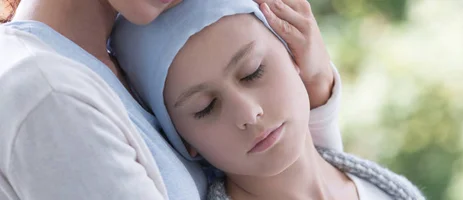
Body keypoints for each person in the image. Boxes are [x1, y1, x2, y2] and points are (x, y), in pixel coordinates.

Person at [0, 0, 342, 199]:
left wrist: (315, 83)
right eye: (205, 108)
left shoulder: (121, 51)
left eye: (252, 72)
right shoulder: (48, 94)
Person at [111, 0, 425, 199]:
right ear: (184, 141)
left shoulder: (384, 190)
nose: (248, 112)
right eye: (205, 108)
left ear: (294, 54)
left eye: (252, 73)